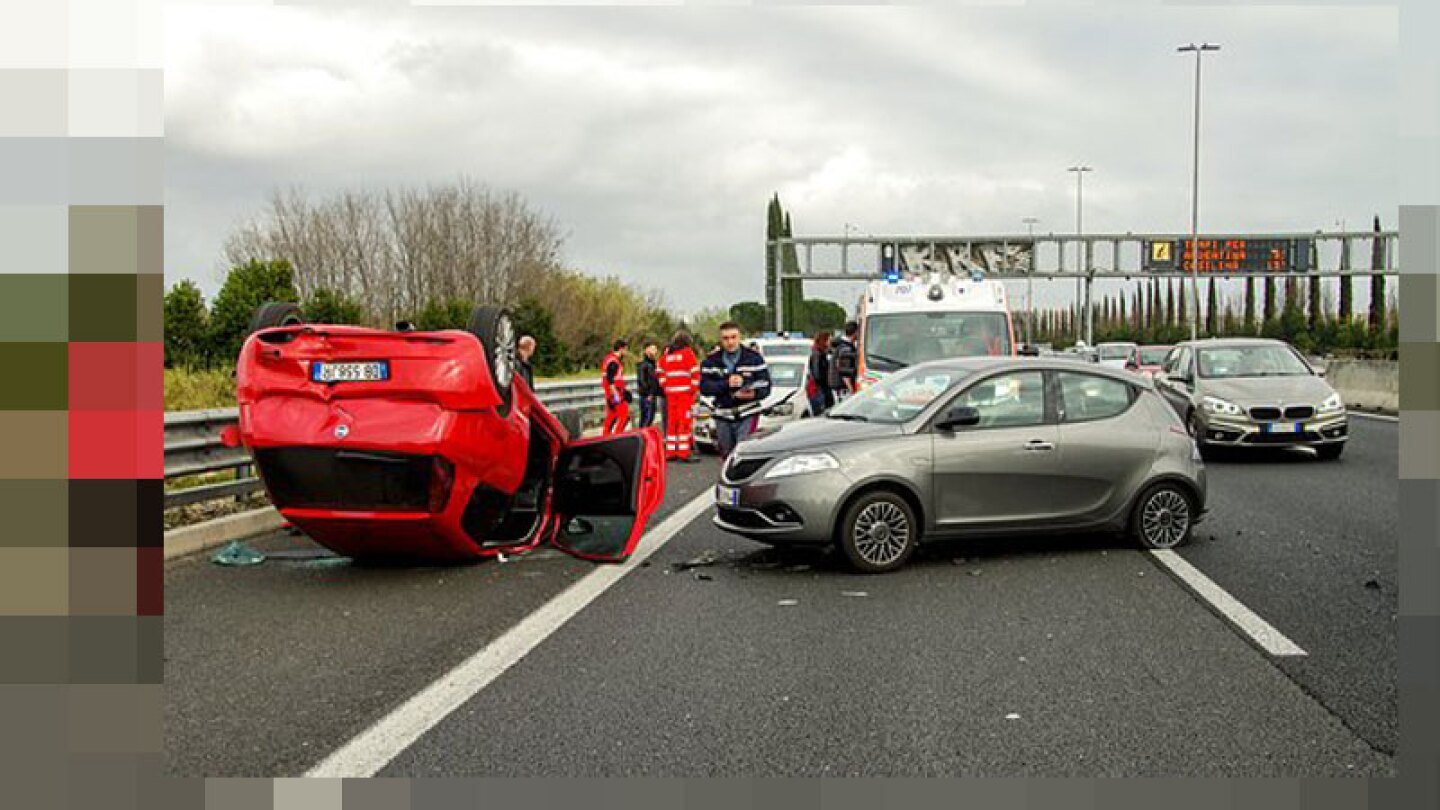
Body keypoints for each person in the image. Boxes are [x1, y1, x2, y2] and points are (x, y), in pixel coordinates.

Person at [700, 322, 771, 459]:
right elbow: (704, 387)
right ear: (720, 340)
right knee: (727, 455)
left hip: (747, 413)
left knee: (744, 452)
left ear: (740, 337)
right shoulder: (711, 361)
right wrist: (727, 384)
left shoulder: (754, 358)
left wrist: (752, 393)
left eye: (733, 337)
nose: (730, 342)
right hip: (723, 414)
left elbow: (766, 385)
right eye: (726, 338)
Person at [658, 332, 701, 461]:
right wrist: (694, 389)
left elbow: (660, 371)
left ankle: (670, 452)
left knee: (672, 423)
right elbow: (695, 372)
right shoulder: (688, 353)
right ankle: (683, 453)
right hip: (685, 394)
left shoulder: (667, 354)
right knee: (684, 422)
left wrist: (665, 386)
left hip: (671, 394)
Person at [600, 339, 631, 435]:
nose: (626, 352)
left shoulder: (609, 359)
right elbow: (610, 379)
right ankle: (618, 436)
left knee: (612, 416)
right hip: (615, 393)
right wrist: (616, 394)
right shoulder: (614, 362)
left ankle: (605, 436)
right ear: (621, 349)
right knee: (624, 416)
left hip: (611, 393)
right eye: (626, 349)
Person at [806, 331, 835, 416]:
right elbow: (817, 374)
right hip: (820, 390)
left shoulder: (821, 353)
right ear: (824, 341)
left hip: (822, 389)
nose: (830, 342)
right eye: (829, 340)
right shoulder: (817, 355)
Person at [829, 320, 859, 399]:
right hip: (843, 389)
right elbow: (845, 371)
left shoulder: (841, 345)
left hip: (838, 387)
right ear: (855, 332)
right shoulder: (846, 348)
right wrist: (852, 390)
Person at [635, 343, 662, 429]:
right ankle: (642, 438)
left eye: (656, 349)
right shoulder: (643, 364)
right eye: (653, 349)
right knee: (646, 419)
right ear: (647, 350)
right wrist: (649, 394)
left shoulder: (653, 364)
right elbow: (642, 380)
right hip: (647, 396)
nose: (655, 351)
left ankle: (643, 437)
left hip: (652, 395)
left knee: (649, 418)